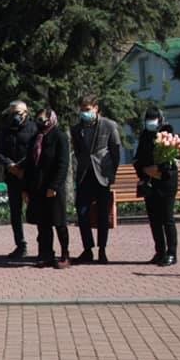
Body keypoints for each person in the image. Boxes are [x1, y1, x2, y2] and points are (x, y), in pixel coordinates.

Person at [71, 94, 121, 264]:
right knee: (82, 212)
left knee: (102, 214)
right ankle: (87, 249)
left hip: (102, 174)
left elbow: (115, 151)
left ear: (96, 108)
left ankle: (102, 250)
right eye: (82, 110)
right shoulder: (76, 129)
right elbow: (78, 151)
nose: (84, 113)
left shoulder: (109, 125)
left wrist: (112, 173)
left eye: (87, 109)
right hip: (85, 175)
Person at [24, 107, 71, 269]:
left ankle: (65, 255)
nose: (40, 123)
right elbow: (29, 164)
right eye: (38, 119)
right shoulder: (35, 138)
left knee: (59, 222)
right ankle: (46, 254)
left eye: (43, 120)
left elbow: (63, 164)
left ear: (51, 120)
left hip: (53, 187)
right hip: (37, 187)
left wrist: (54, 186)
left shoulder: (60, 137)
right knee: (43, 224)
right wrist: (26, 188)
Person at [134, 106, 178, 266]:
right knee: (154, 220)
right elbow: (138, 158)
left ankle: (171, 253)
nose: (150, 122)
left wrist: (158, 170)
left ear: (160, 120)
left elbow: (171, 159)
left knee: (167, 218)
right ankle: (159, 252)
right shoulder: (145, 135)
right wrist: (144, 171)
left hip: (166, 182)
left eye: (153, 119)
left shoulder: (167, 133)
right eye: (148, 119)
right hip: (149, 182)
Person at [0, 101, 38, 259]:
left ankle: (43, 246)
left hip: (30, 176)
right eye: (12, 113)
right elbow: (0, 152)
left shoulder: (34, 129)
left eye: (18, 113)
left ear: (26, 113)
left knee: (37, 211)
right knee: (15, 213)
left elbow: (36, 151)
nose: (15, 116)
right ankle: (20, 245)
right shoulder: (5, 130)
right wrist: (10, 166)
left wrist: (22, 167)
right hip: (12, 176)